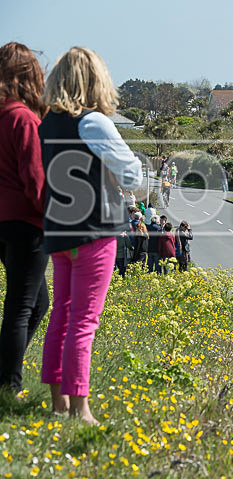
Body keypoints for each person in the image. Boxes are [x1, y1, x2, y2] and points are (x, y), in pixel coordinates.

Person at [39, 46, 143, 422]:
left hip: (59, 230)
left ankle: (58, 403)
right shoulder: (93, 122)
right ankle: (80, 408)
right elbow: (133, 175)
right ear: (96, 80)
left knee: (61, 317)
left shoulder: (46, 123)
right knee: (84, 320)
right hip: (95, 229)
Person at [0, 42, 50, 394]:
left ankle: (5, 371)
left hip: (2, 219)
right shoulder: (23, 118)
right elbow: (36, 182)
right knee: (21, 307)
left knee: (36, 303)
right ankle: (9, 385)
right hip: (25, 222)